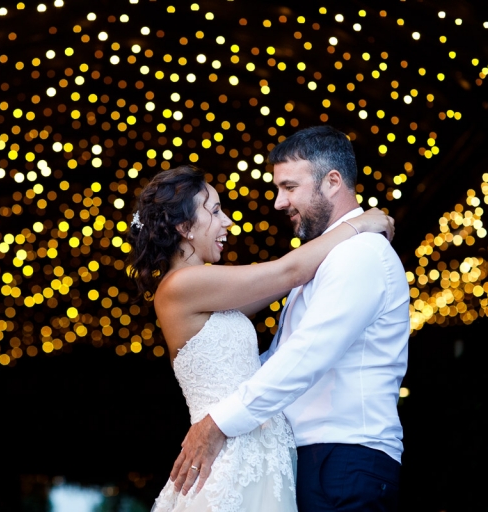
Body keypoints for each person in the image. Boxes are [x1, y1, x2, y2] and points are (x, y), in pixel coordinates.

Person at [126, 161, 395, 512]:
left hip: (262, 451)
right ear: (184, 227)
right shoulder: (182, 285)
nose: (227, 223)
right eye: (216, 211)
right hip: (231, 454)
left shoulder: (208, 290)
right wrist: (358, 225)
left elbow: (292, 278)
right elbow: (289, 271)